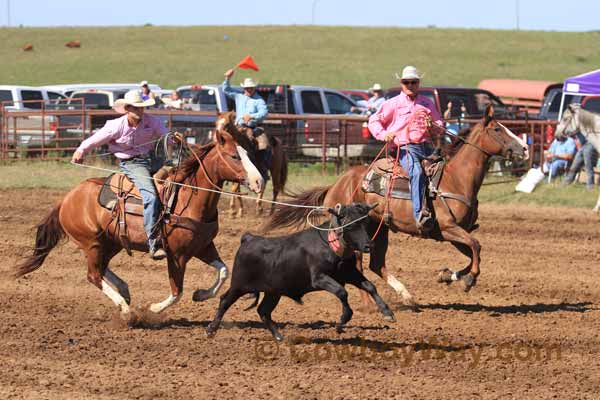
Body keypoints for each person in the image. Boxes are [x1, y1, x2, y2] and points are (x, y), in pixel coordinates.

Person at [71, 90, 182, 260]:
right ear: (127, 108)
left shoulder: (152, 121)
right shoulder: (116, 126)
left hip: (153, 160)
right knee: (151, 197)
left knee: (181, 178)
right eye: (136, 108)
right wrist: (80, 150)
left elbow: (165, 135)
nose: (140, 111)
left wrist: (174, 139)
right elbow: (96, 139)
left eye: (141, 108)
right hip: (133, 164)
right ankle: (153, 242)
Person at [368, 66, 443, 232]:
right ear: (401, 84)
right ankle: (419, 215)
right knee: (416, 172)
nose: (410, 85)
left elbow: (439, 125)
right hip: (405, 148)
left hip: (427, 147)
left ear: (418, 83)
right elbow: (374, 120)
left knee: (446, 170)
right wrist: (383, 134)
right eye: (406, 82)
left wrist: (434, 126)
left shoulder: (427, 103)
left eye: (413, 82)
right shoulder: (393, 104)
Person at [222, 69, 270, 179]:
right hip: (238, 126)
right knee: (224, 138)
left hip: (251, 127)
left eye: (250, 88)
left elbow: (264, 112)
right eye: (247, 88)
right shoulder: (239, 96)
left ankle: (261, 167)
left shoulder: (259, 100)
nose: (248, 90)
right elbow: (225, 89)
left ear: (254, 88)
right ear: (244, 88)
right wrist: (227, 78)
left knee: (263, 145)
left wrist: (252, 116)